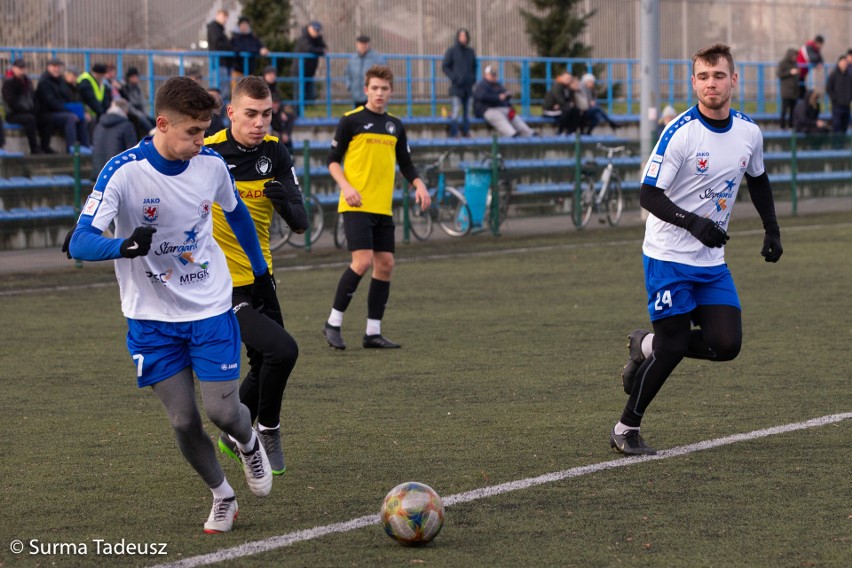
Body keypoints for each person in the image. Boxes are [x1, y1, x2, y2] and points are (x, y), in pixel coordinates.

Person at [65, 76, 274, 533]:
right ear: (162, 124)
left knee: (222, 411)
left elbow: (235, 211)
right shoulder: (122, 172)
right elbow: (79, 242)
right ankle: (223, 495)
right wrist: (125, 247)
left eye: (205, 130)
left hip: (208, 306)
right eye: (193, 132)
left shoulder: (211, 164)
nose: (202, 141)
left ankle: (248, 442)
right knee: (183, 421)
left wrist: (260, 272)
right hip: (150, 318)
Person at [611, 43, 782, 456]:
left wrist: (772, 230)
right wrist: (693, 223)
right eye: (703, 77)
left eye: (719, 76)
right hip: (668, 255)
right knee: (672, 347)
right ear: (693, 83)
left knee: (727, 346)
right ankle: (625, 427)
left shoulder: (748, 132)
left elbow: (757, 179)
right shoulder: (680, 133)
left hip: (710, 260)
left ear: (733, 80)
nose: (711, 84)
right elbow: (648, 195)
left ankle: (645, 345)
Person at [204, 75, 308, 476]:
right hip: (219, 285)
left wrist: (286, 206)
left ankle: (233, 435)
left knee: (266, 361)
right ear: (231, 113)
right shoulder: (206, 153)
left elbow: (300, 223)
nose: (260, 122)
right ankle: (267, 430)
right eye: (250, 113)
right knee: (282, 350)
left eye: (266, 114)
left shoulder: (276, 154)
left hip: (262, 275)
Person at [322, 64, 431, 350]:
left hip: (383, 208)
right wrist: (346, 187)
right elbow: (332, 160)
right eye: (375, 88)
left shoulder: (395, 125)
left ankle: (372, 332)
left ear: (391, 92)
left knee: (386, 264)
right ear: (366, 90)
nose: (379, 93)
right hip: (355, 204)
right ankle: (333, 322)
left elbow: (405, 163)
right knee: (363, 261)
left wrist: (418, 184)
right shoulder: (351, 120)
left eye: (384, 89)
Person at [34, 58, 90, 154]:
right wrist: (69, 110)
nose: (57, 69)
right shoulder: (44, 82)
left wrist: (79, 111)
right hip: (46, 114)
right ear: (48, 67)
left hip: (59, 112)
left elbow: (68, 98)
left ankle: (85, 146)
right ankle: (71, 149)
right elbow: (51, 102)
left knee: (81, 117)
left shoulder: (60, 81)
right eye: (54, 66)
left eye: (58, 67)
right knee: (71, 117)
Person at [473, 65, 535, 137]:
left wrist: (507, 96)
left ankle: (529, 133)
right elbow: (482, 97)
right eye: (491, 75)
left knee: (511, 113)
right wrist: (498, 97)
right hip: (485, 110)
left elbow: (504, 94)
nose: (493, 76)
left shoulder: (497, 85)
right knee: (498, 116)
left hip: (499, 108)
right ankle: (512, 134)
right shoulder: (482, 85)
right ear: (486, 75)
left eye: (494, 75)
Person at [2, 58, 43, 154]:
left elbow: (33, 97)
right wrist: (27, 110)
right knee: (30, 119)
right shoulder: (8, 83)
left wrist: (35, 108)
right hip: (13, 114)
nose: (22, 70)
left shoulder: (27, 81)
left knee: (44, 118)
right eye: (20, 68)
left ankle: (45, 146)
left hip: (27, 111)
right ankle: (34, 148)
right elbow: (11, 102)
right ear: (13, 68)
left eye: (23, 68)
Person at [441, 28, 477, 138]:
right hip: (457, 87)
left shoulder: (471, 52)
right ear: (457, 37)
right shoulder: (451, 51)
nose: (463, 38)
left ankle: (466, 131)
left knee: (468, 112)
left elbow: (474, 67)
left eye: (465, 36)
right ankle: (454, 133)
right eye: (461, 36)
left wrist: (472, 79)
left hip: (468, 88)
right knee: (456, 111)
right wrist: (455, 78)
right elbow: (445, 66)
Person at [91, 98, 138, 177]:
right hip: (117, 174)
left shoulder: (99, 125)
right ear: (125, 111)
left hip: (98, 175)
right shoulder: (127, 126)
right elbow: (133, 154)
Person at [344, 35, 386, 108]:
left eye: (365, 44)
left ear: (368, 45)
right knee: (358, 116)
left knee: (371, 116)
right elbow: (347, 73)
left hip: (371, 95)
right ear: (357, 44)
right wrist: (349, 85)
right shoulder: (353, 59)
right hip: (356, 94)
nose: (363, 46)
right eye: (361, 44)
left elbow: (384, 72)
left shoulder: (376, 58)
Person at [292, 21, 327, 105]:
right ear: (309, 28)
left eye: (317, 31)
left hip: (310, 71)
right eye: (314, 30)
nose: (316, 32)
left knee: (309, 95)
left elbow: (324, 48)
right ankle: (297, 115)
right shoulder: (303, 38)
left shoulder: (318, 39)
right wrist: (320, 50)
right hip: (299, 70)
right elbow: (308, 49)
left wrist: (320, 49)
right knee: (299, 94)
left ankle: (304, 114)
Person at [230, 16, 269, 83]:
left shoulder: (253, 37)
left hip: (250, 71)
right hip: (238, 70)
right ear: (239, 26)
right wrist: (257, 50)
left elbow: (260, 46)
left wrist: (262, 49)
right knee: (237, 92)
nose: (244, 27)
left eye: (246, 25)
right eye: (242, 25)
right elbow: (238, 49)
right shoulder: (235, 38)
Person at [542, 69, 581, 135]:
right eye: (566, 78)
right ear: (561, 77)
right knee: (567, 110)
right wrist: (565, 104)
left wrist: (566, 104)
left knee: (576, 110)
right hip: (549, 110)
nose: (568, 80)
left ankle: (571, 131)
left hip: (561, 108)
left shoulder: (567, 87)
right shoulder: (557, 86)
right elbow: (560, 100)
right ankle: (560, 131)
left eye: (569, 78)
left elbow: (569, 100)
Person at [120, 67, 156, 138]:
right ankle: (152, 134)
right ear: (129, 77)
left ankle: (155, 134)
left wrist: (144, 113)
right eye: (133, 77)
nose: (135, 78)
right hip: (132, 111)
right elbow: (128, 104)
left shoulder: (138, 88)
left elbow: (142, 103)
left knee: (151, 120)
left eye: (136, 77)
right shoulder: (125, 88)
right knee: (142, 119)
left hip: (140, 111)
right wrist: (140, 114)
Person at [207, 8, 233, 96]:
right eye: (223, 16)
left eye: (226, 17)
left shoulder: (219, 28)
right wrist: (228, 46)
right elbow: (217, 42)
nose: (224, 19)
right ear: (217, 15)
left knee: (222, 85)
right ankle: (219, 106)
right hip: (218, 60)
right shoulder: (214, 27)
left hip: (221, 61)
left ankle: (220, 105)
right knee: (219, 86)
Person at [825, 55, 851, 134]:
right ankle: (836, 145)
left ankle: (842, 145)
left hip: (846, 105)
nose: (844, 64)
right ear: (839, 63)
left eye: (845, 63)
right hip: (837, 105)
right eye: (842, 62)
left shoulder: (849, 76)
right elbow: (828, 88)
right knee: (837, 126)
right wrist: (834, 98)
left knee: (844, 126)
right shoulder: (833, 75)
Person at [776, 48, 799, 129]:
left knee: (793, 110)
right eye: (793, 55)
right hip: (786, 91)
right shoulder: (783, 63)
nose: (795, 57)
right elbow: (779, 74)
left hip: (794, 91)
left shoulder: (795, 63)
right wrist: (790, 72)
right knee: (784, 110)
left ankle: (791, 125)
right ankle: (782, 126)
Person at [796, 35, 824, 99]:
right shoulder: (809, 46)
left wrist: (819, 62)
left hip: (802, 73)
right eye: (820, 44)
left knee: (802, 90)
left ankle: (802, 105)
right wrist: (818, 62)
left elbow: (821, 59)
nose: (821, 47)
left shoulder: (816, 49)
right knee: (799, 90)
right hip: (799, 71)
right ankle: (799, 106)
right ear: (817, 43)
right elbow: (812, 58)